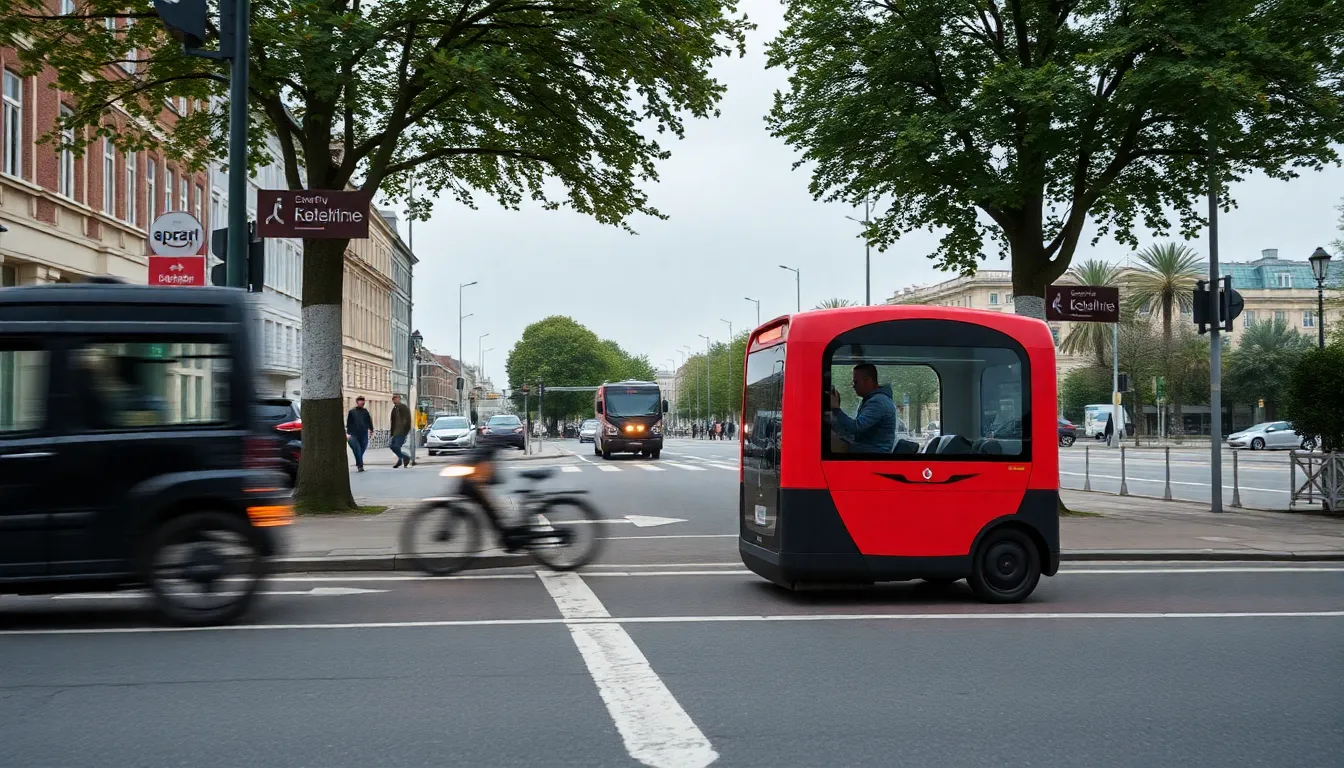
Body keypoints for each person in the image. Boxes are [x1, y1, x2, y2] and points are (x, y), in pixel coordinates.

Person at [829, 363, 898, 453]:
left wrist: (836, 409)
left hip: (873, 453)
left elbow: (855, 428)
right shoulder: (872, 400)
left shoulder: (878, 402)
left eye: (855, 382)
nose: (853, 386)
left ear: (867, 381)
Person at [346, 396, 374, 471]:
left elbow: (369, 421)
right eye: (360, 401)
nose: (362, 402)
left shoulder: (365, 411)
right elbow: (349, 423)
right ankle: (360, 466)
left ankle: (359, 460)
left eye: (363, 401)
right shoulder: (352, 412)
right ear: (357, 402)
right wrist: (348, 433)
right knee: (357, 449)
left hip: (364, 433)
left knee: (363, 448)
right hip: (354, 434)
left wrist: (371, 430)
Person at [389, 394, 413, 468]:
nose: (394, 400)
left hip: (402, 431)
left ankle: (405, 457)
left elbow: (408, 420)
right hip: (395, 432)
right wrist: (392, 433)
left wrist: (406, 429)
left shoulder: (404, 407)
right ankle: (401, 459)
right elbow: (392, 422)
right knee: (392, 446)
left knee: (395, 446)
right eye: (393, 399)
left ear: (399, 399)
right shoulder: (394, 409)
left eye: (395, 398)